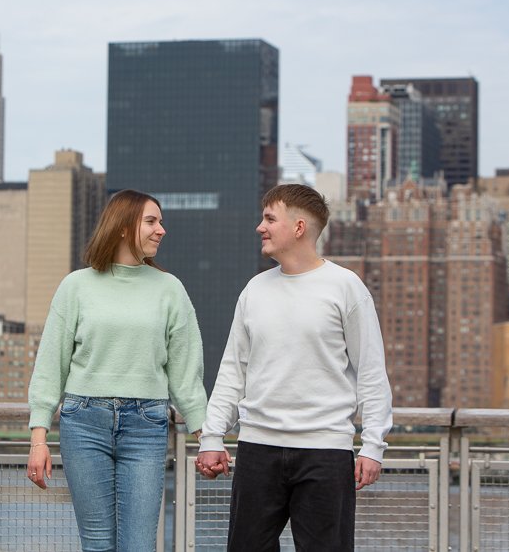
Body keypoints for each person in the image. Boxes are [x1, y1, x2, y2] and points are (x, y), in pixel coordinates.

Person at [196, 183, 393, 552]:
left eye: (270, 218)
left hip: (326, 453)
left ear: (299, 227)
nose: (260, 227)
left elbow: (370, 371)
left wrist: (372, 446)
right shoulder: (254, 290)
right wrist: (212, 436)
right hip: (257, 448)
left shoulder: (346, 287)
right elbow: (232, 372)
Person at [26, 189, 207, 552]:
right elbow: (51, 364)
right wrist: (38, 438)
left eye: (161, 222)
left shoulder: (170, 289)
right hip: (83, 422)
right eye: (152, 221)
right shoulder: (75, 286)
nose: (162, 230)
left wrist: (207, 436)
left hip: (147, 425)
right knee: (96, 545)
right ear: (124, 227)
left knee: (138, 545)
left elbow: (186, 373)